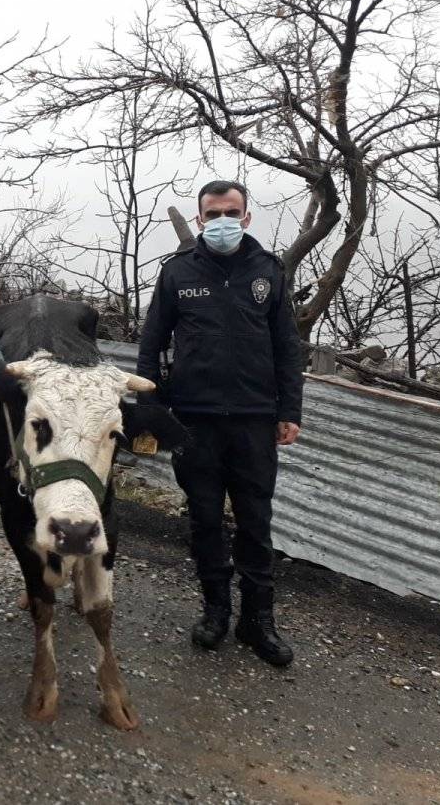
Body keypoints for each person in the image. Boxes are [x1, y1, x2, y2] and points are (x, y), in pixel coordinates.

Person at [137, 179, 304, 667]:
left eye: (233, 212)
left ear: (247, 217)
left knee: (256, 523)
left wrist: (289, 411)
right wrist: (151, 408)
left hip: (254, 420)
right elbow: (151, 345)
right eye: (214, 214)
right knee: (205, 519)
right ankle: (215, 611)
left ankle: (259, 622)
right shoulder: (176, 273)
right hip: (195, 419)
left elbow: (287, 349)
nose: (224, 221)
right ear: (201, 218)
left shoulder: (269, 271)